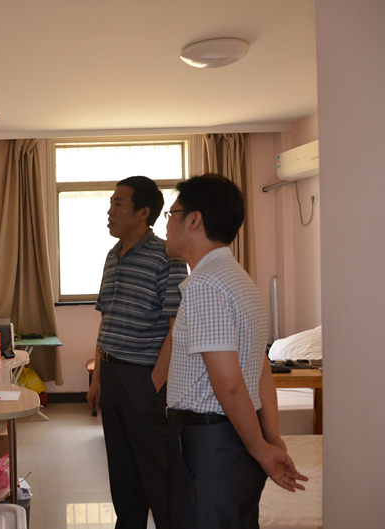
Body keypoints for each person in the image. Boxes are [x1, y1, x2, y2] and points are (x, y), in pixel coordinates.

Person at [163, 174, 308, 529]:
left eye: (172, 213)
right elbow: (260, 369)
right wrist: (269, 439)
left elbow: (229, 384)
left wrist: (262, 449)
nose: (165, 224)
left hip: (212, 444)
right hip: (237, 436)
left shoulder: (205, 285)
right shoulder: (240, 280)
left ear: (194, 220)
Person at [87, 176, 188, 529]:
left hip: (144, 376)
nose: (110, 210)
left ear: (143, 212)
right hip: (113, 375)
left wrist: (153, 386)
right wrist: (98, 380)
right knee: (122, 473)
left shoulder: (167, 257)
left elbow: (176, 328)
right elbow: (107, 321)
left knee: (158, 475)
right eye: (111, 202)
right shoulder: (112, 257)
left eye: (118, 203)